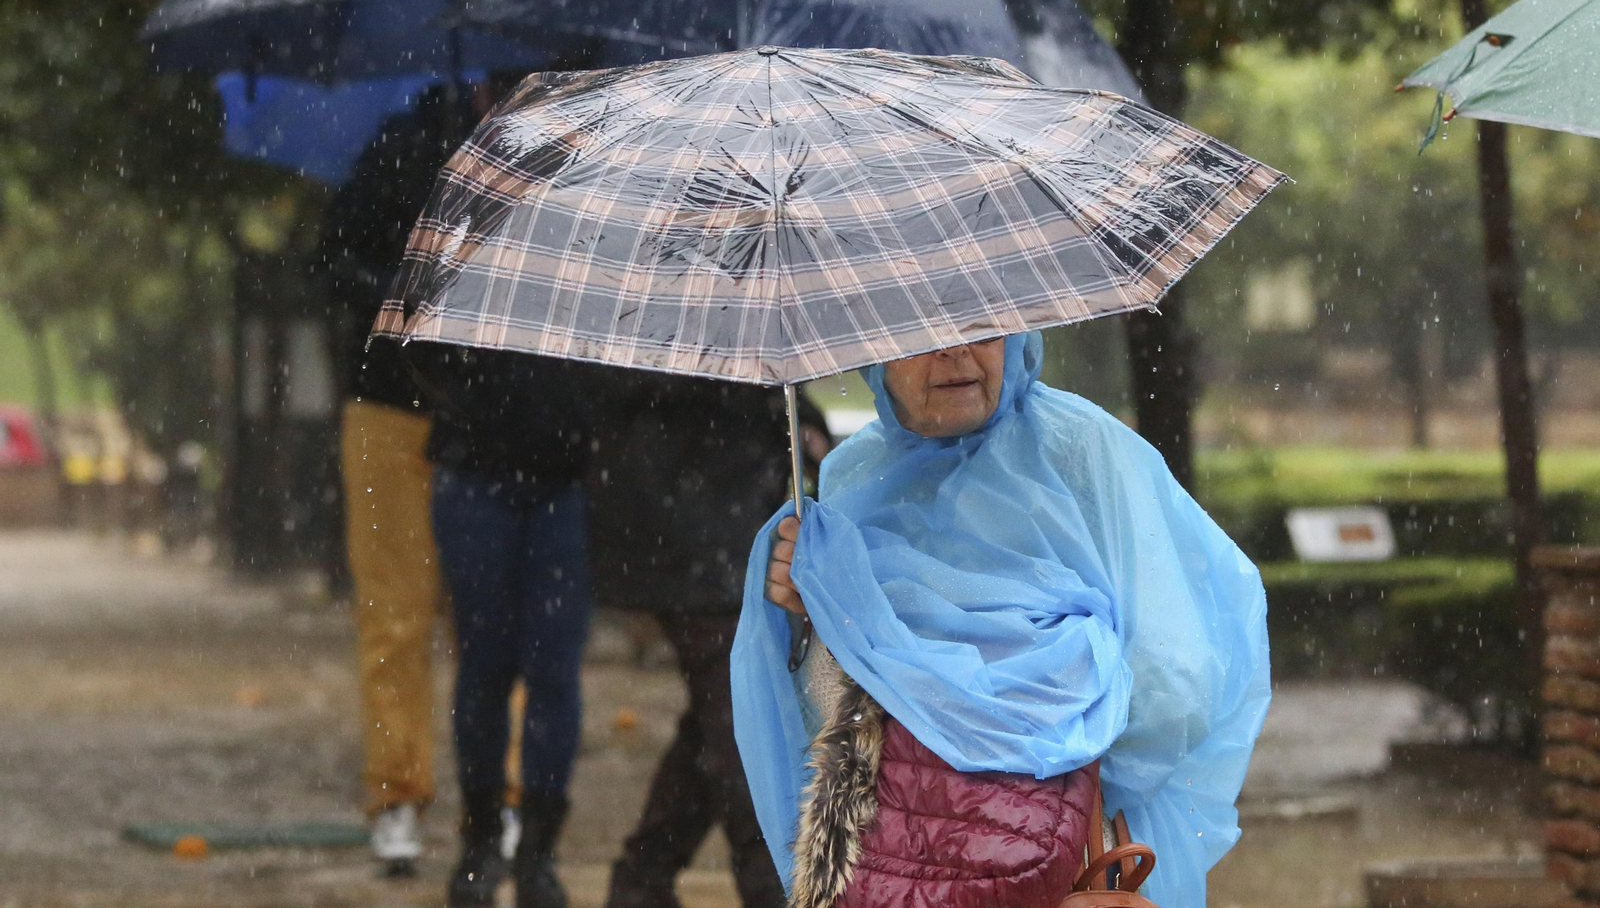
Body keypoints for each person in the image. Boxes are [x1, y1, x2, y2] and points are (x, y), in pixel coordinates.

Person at [732, 334, 1272, 908]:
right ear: (874, 354)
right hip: (908, 870)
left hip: (1063, 857)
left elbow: (1178, 681)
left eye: (982, 326)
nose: (954, 351)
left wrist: (1043, 757)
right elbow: (830, 728)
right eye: (919, 332)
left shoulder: (1083, 454)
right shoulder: (849, 488)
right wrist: (809, 612)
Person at [589, 374, 832, 908]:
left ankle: (641, 880)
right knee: (740, 730)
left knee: (717, 720)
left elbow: (756, 372)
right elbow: (699, 384)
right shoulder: (668, 330)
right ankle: (773, 887)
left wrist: (798, 418)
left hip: (725, 534)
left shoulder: (735, 329)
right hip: (687, 538)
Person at [318, 86, 473, 875]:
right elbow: (331, 260)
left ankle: (502, 801)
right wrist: (404, 294)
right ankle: (399, 794)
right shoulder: (399, 147)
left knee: (492, 625)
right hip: (389, 411)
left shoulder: (546, 150)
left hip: (488, 424)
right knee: (395, 614)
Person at [411, 342, 608, 908]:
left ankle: (538, 852)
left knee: (554, 672)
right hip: (473, 470)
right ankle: (480, 839)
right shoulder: (462, 258)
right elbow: (417, 342)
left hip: (564, 480)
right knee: (485, 665)